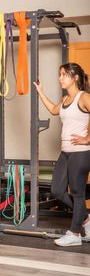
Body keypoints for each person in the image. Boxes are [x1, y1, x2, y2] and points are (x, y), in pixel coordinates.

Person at [34, 62, 90, 246]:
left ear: (75, 78)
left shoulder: (84, 97)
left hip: (80, 153)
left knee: (77, 193)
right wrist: (40, 91)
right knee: (57, 190)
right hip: (65, 153)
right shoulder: (66, 100)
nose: (60, 78)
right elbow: (53, 109)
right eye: (59, 74)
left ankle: (74, 234)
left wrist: (87, 138)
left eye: (64, 75)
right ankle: (86, 219)